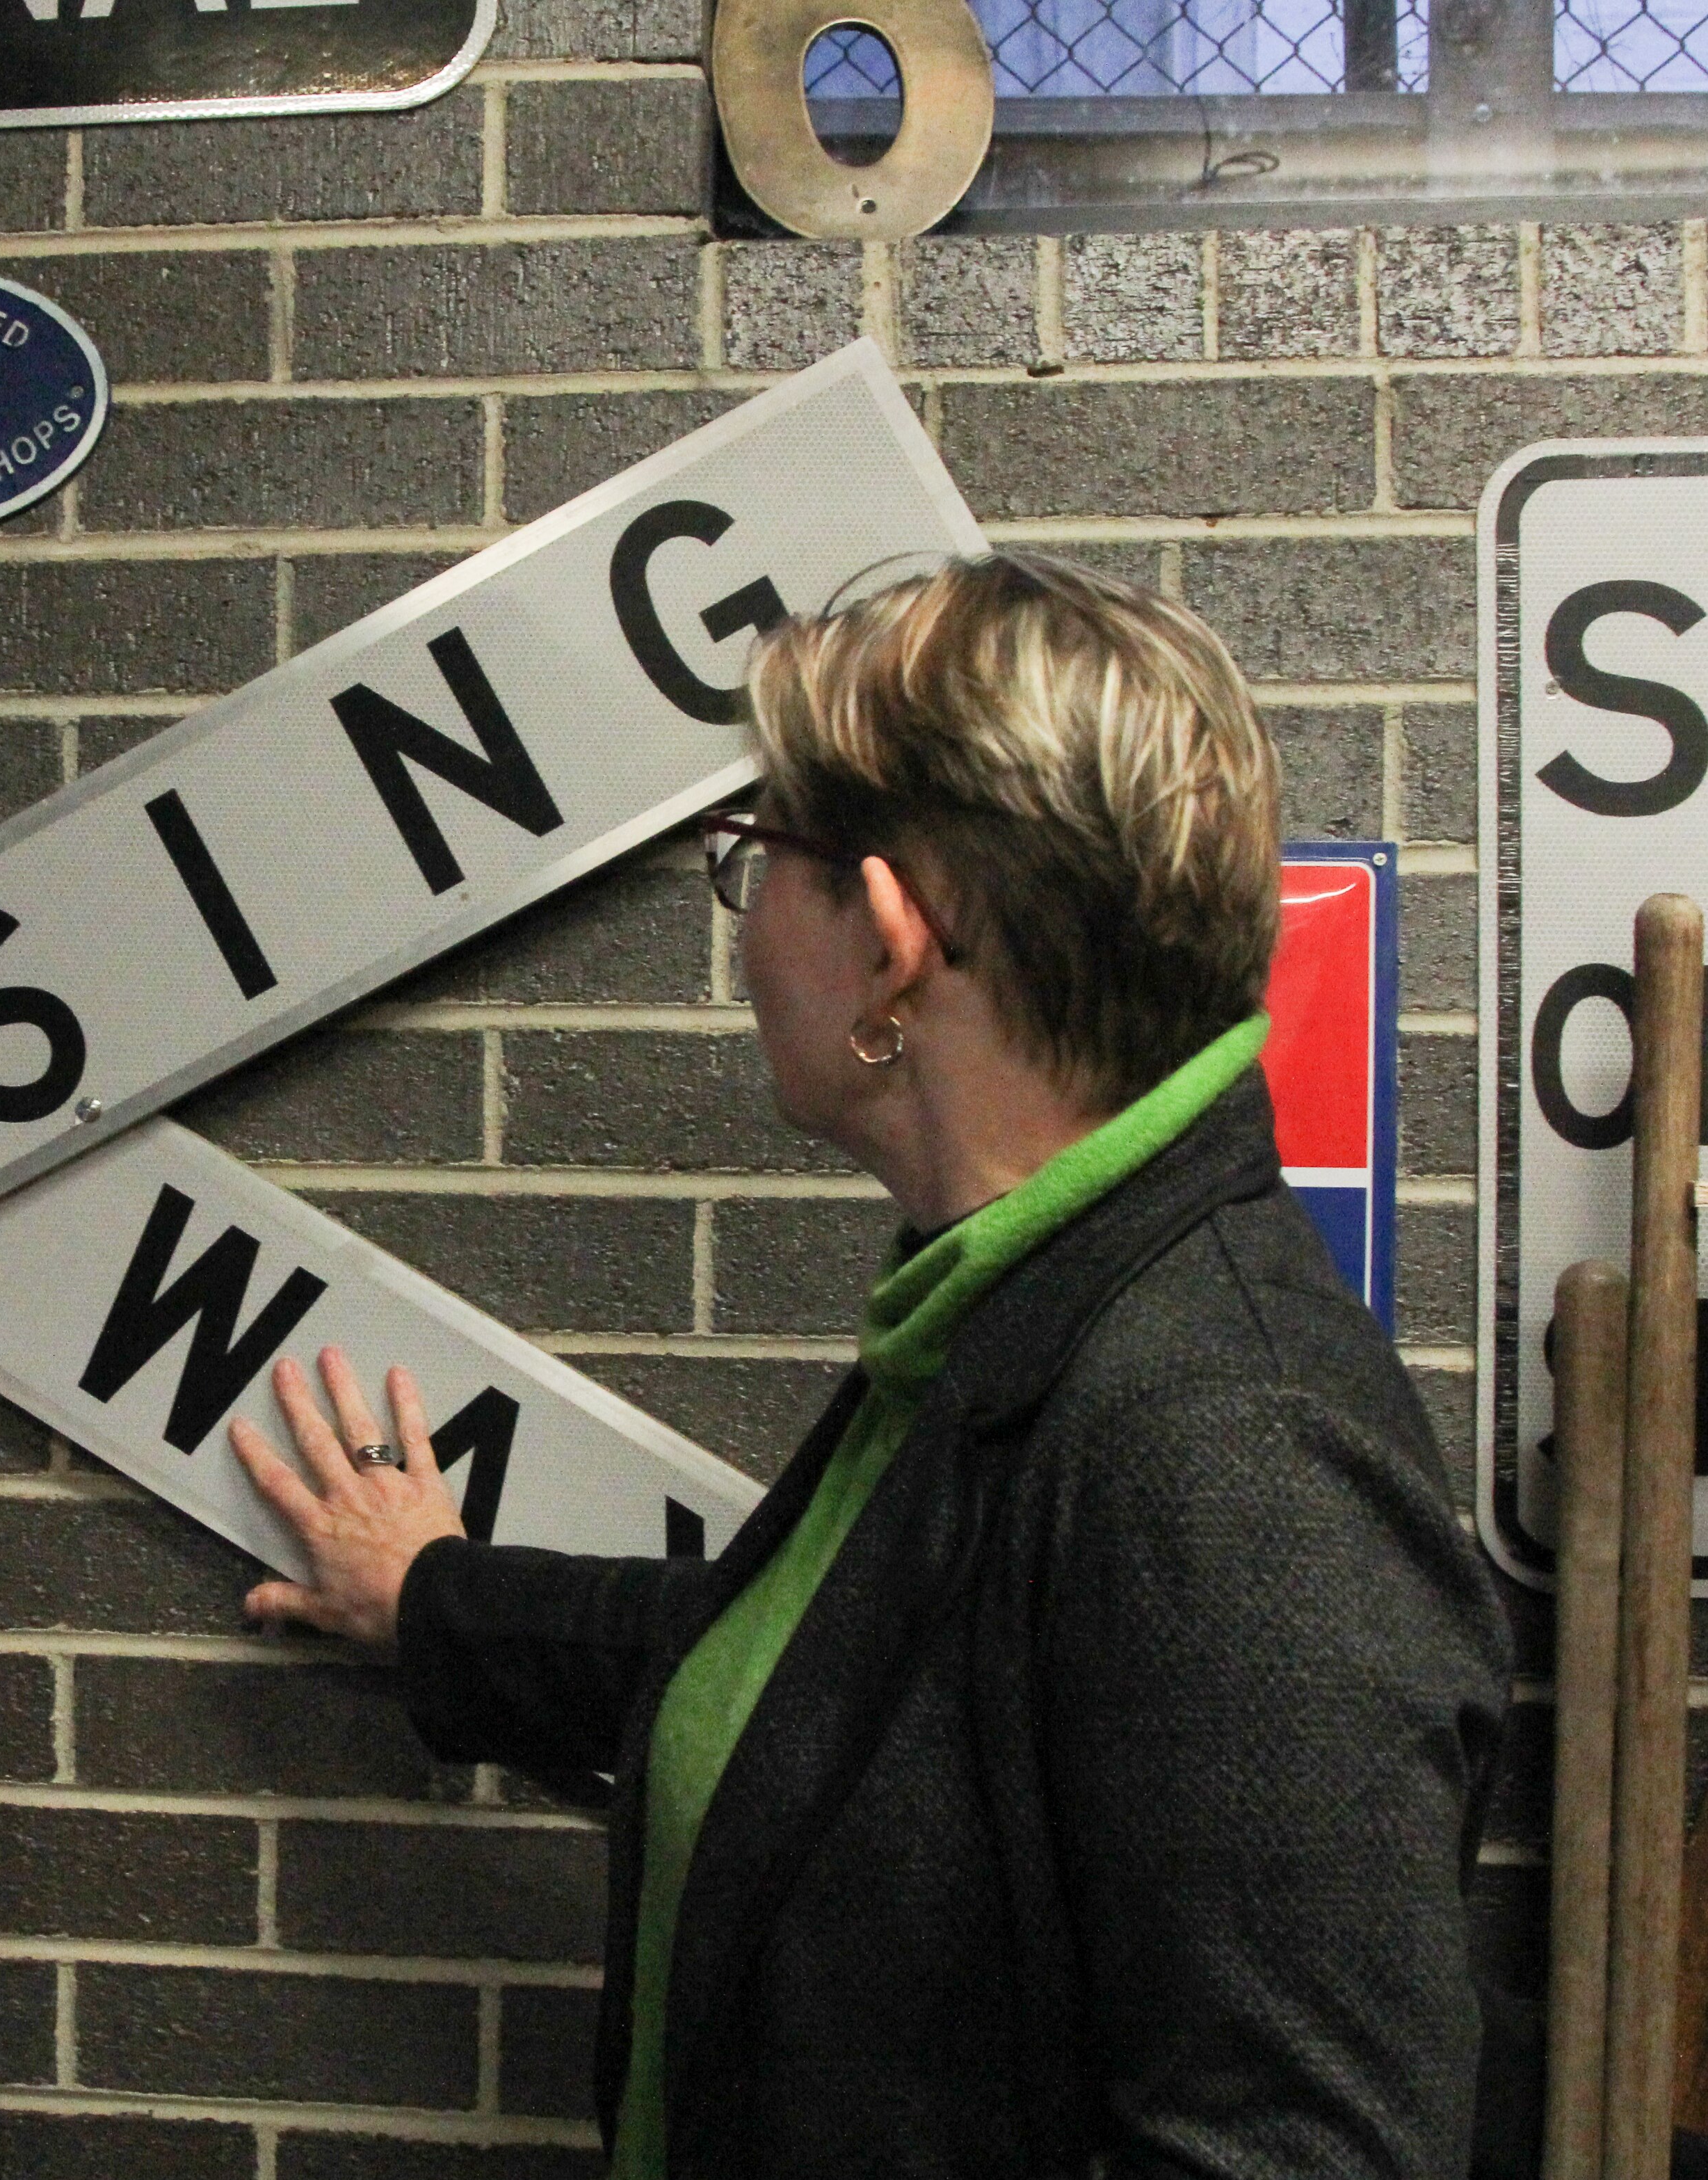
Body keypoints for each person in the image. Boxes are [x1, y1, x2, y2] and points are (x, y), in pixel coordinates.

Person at [232, 550, 1510, 2180]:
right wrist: (434, 1599)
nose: (743, 920)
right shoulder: (1008, 1315)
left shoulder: (1226, 1447)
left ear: (891, 940)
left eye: (758, 855)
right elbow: (811, 1677)